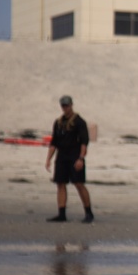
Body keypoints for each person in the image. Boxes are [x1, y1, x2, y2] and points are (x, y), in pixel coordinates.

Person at [45, 95, 94, 223]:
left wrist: (81, 159)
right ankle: (61, 213)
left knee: (79, 184)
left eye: (67, 105)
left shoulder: (79, 122)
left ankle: (88, 212)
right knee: (60, 183)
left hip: (74, 156)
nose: (65, 108)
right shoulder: (58, 122)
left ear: (71, 105)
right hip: (61, 156)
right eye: (63, 105)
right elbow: (54, 143)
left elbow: (84, 142)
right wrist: (48, 159)